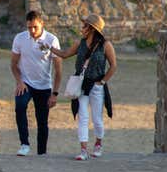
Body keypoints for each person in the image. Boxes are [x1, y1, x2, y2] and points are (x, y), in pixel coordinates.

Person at [50, 13, 117, 159]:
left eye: (85, 25)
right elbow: (65, 54)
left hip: (97, 85)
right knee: (83, 117)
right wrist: (50, 48)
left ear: (92, 29)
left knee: (97, 118)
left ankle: (98, 143)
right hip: (81, 86)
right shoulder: (79, 43)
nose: (82, 28)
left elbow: (113, 66)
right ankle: (83, 150)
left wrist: (102, 82)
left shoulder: (105, 45)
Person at [10, 10, 62, 156]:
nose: (32, 31)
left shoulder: (52, 40)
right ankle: (24, 144)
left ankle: (42, 153)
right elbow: (13, 64)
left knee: (42, 121)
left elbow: (58, 70)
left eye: (35, 27)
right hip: (25, 83)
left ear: (42, 24)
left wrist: (55, 94)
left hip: (44, 85)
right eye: (29, 27)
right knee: (20, 106)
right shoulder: (19, 39)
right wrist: (19, 82)